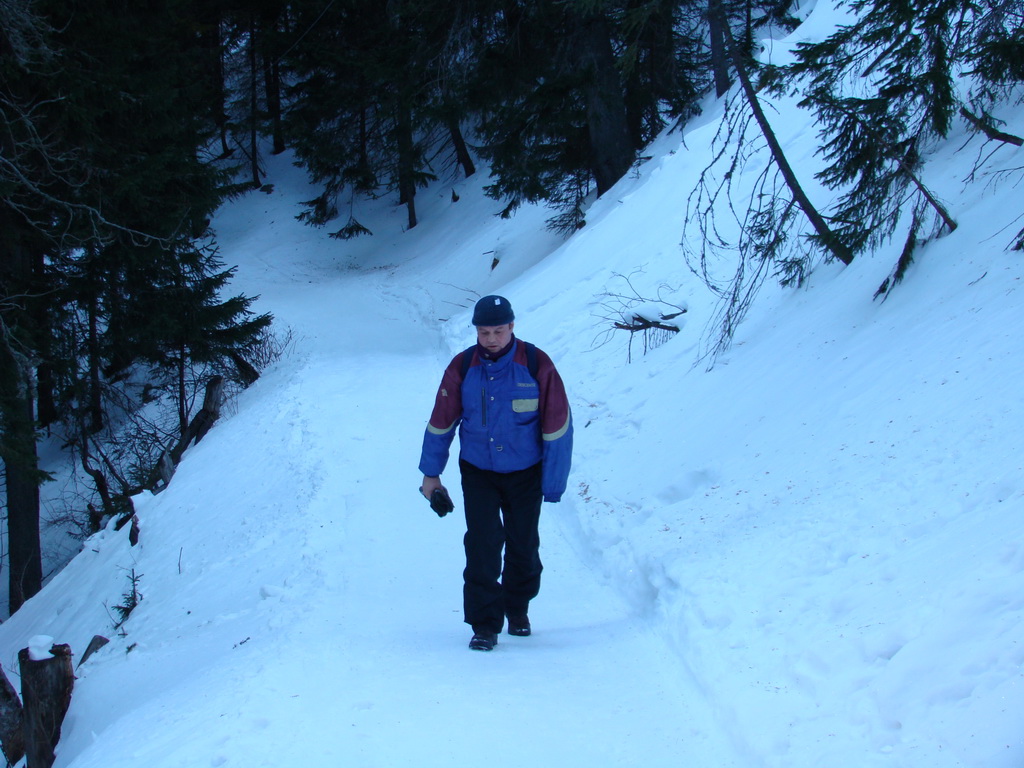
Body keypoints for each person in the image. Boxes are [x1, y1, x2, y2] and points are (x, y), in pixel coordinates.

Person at [419, 295, 573, 651]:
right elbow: (441, 421)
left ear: (512, 327)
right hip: (478, 471)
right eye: (484, 331)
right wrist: (431, 474)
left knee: (523, 545)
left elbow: (558, 426)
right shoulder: (462, 367)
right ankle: (484, 624)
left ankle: (517, 608)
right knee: (483, 545)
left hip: (525, 472)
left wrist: (553, 482)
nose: (491, 339)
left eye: (498, 331)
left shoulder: (536, 364)